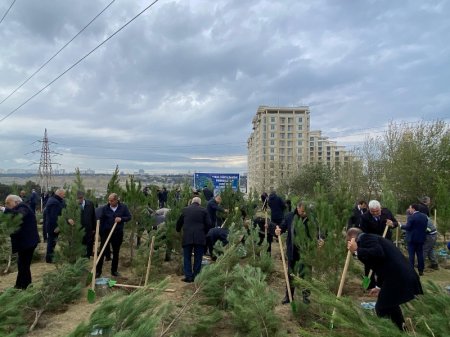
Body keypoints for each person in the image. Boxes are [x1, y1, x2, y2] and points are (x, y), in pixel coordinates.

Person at [346, 227, 423, 330]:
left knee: (381, 308)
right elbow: (378, 265)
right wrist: (378, 286)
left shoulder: (365, 238)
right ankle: (402, 329)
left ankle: (387, 331)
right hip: (399, 275)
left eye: (348, 241)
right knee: (390, 304)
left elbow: (378, 252)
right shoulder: (372, 239)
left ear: (352, 238)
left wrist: (356, 250)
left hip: (397, 276)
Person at [275, 202, 322, 304]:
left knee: (306, 275)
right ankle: (288, 297)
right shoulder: (290, 217)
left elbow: (318, 231)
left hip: (306, 252)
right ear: (297, 208)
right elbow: (282, 227)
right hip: (293, 251)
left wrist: (320, 239)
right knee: (291, 275)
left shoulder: (311, 218)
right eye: (302, 211)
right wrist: (278, 230)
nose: (304, 213)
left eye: (306, 211)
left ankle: (306, 297)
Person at [2, 195, 39, 289]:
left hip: (27, 242)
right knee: (22, 265)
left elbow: (19, 215)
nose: (7, 206)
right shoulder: (20, 207)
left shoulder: (23, 207)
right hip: (26, 242)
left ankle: (25, 286)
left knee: (23, 265)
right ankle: (20, 285)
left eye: (8, 204)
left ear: (16, 202)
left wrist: (2, 209)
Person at [176, 196, 212, 282]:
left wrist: (178, 230)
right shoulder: (204, 210)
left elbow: (179, 222)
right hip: (200, 237)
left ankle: (188, 276)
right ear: (199, 203)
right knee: (198, 257)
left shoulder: (185, 210)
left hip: (187, 237)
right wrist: (205, 233)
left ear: (192, 202)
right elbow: (209, 224)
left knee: (187, 257)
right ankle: (196, 276)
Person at [96, 193, 131, 278]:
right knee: (102, 251)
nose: (110, 202)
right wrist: (102, 232)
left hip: (117, 233)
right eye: (109, 200)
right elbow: (101, 220)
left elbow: (129, 217)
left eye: (111, 200)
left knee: (116, 252)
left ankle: (114, 271)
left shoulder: (123, 207)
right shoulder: (105, 208)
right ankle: (98, 271)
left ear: (116, 200)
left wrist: (121, 219)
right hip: (106, 233)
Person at [401, 204, 428, 276]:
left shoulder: (411, 217)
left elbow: (408, 227)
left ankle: (411, 271)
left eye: (410, 208)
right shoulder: (424, 217)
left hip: (412, 239)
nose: (409, 210)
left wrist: (400, 225)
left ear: (413, 209)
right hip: (421, 239)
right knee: (420, 255)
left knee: (411, 255)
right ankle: (421, 271)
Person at [44, 188, 69, 263]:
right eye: (63, 194)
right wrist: (57, 226)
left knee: (53, 242)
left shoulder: (56, 200)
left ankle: (51, 257)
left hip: (54, 226)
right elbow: (53, 216)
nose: (64, 196)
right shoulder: (54, 202)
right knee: (51, 242)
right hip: (53, 227)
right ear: (60, 194)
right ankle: (49, 259)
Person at [77, 191, 97, 258]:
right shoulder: (74, 206)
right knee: (81, 243)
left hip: (89, 228)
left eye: (80, 198)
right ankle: (81, 257)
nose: (79, 199)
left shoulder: (90, 204)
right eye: (78, 198)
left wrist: (94, 228)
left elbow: (93, 216)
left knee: (89, 242)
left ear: (83, 197)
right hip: (79, 229)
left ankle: (88, 256)